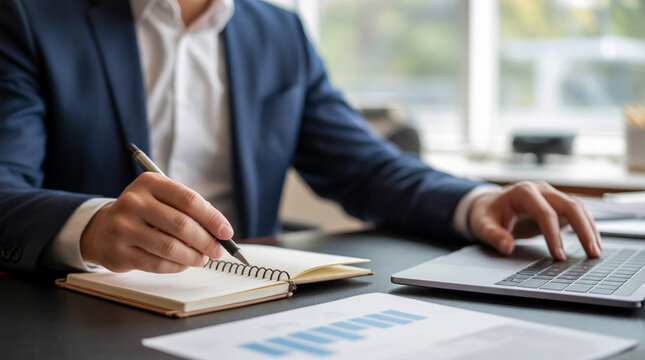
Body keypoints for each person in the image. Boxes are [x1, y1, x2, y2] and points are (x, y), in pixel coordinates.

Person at [0, 0, 601, 274]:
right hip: (84, 311)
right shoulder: (30, 16)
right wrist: (94, 225)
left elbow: (367, 169)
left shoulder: (279, 32)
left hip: (249, 298)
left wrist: (478, 203)